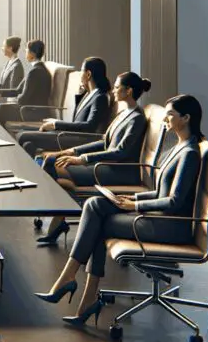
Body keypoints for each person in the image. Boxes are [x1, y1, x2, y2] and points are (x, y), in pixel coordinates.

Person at [34, 95, 205, 326]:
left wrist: (134, 206)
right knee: (95, 204)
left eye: (170, 114)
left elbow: (173, 201)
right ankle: (80, 291)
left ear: (186, 118)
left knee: (98, 222)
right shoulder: (179, 147)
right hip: (160, 218)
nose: (165, 118)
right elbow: (160, 193)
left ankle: (73, 284)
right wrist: (131, 197)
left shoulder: (190, 153)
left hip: (170, 226)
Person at [33, 71, 152, 245]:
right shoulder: (124, 114)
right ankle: (61, 210)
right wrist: (71, 151)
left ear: (129, 91)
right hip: (105, 166)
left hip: (118, 172)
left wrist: (82, 159)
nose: (113, 91)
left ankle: (59, 210)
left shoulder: (136, 119)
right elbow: (105, 142)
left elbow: (120, 152)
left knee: (53, 166)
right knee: (52, 161)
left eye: (117, 88)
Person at [17, 57, 113, 155]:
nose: (80, 74)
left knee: (22, 136)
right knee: (27, 143)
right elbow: (78, 119)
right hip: (70, 134)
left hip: (77, 139)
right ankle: (41, 159)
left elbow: (90, 126)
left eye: (81, 71)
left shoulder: (100, 97)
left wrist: (56, 124)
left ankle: (43, 158)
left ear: (88, 74)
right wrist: (80, 95)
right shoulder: (89, 94)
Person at [0, 39, 52, 123]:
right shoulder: (36, 70)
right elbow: (18, 90)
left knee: (2, 108)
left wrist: (14, 100)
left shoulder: (34, 72)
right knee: (2, 108)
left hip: (33, 112)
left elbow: (23, 99)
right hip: (33, 109)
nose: (25, 53)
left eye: (26, 51)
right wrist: (0, 92)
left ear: (32, 54)